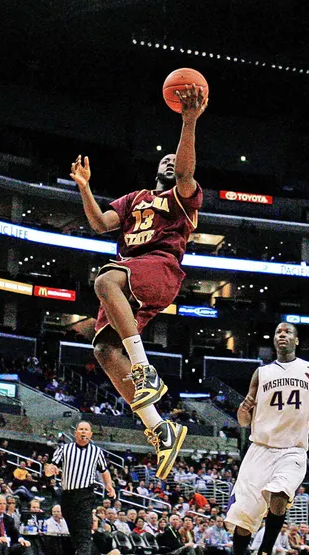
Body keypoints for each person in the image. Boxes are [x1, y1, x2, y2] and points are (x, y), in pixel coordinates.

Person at [69, 85, 207, 480]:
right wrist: (85, 188)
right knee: (106, 350)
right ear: (153, 169)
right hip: (132, 277)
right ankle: (160, 427)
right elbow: (99, 224)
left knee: (104, 280)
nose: (170, 161)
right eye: (163, 157)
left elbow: (184, 169)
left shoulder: (184, 197)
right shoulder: (134, 199)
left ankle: (144, 369)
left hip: (159, 268)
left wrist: (189, 122)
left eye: (174, 157)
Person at [224, 322, 309, 555]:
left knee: (279, 495)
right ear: (274, 340)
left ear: (296, 340)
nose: (283, 335)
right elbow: (243, 420)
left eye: (288, 332)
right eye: (278, 332)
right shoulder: (261, 373)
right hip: (260, 449)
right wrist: (243, 409)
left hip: (292, 450)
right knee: (244, 520)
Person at [45, 421, 116, 555]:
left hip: (86, 494)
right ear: (76, 433)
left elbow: (104, 471)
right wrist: (50, 470)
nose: (83, 432)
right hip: (67, 495)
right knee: (75, 535)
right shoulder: (64, 449)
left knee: (84, 531)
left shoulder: (96, 452)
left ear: (91, 434)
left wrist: (109, 486)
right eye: (80, 429)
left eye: (86, 429)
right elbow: (51, 465)